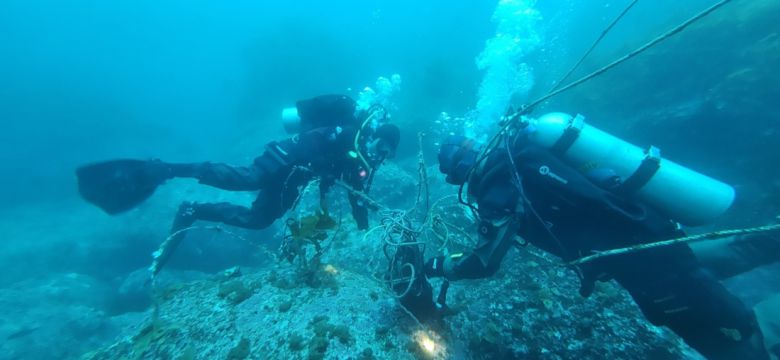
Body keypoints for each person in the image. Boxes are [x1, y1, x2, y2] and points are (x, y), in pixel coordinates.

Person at [406, 132, 776, 360]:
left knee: (742, 341)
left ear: (458, 170)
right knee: (734, 251)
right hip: (654, 229)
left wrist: (435, 265)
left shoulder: (497, 188)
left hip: (648, 269)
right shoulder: (524, 153)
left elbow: (483, 263)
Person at [77, 94, 400, 276]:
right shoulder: (351, 137)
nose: (382, 156)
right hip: (286, 157)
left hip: (295, 176)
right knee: (247, 179)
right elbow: (340, 167)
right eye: (383, 148)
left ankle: (195, 209)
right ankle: (165, 169)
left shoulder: (357, 151)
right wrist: (359, 214)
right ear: (377, 136)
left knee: (259, 220)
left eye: (387, 153)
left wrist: (362, 224)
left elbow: (349, 187)